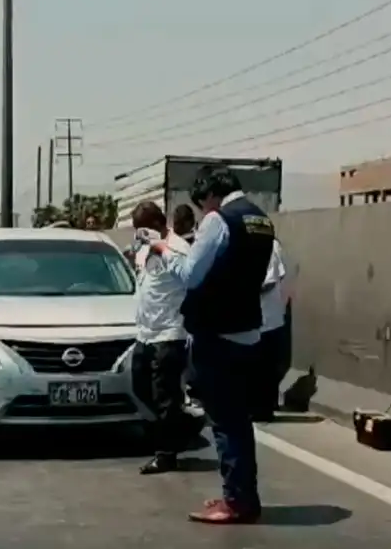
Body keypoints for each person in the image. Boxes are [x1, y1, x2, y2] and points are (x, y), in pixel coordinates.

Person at [151, 166, 274, 525]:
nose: (203, 210)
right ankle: (239, 495)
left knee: (225, 422)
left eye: (203, 202)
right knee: (238, 420)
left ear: (210, 194)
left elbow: (191, 275)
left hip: (217, 332)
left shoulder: (219, 220)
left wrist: (163, 249)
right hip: (247, 330)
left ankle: (237, 501)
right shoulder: (261, 219)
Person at [130, 201, 193, 475]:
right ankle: (178, 426)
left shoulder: (178, 247)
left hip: (170, 333)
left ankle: (166, 453)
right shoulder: (144, 248)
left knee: (164, 394)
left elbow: (189, 278)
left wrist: (161, 248)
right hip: (145, 333)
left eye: (142, 229)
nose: (139, 234)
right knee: (141, 385)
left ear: (157, 224)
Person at [252, 238, 289, 422]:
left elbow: (270, 280)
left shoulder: (268, 244)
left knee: (265, 366)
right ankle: (257, 407)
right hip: (254, 318)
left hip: (267, 317)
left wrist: (244, 291)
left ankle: (263, 410)